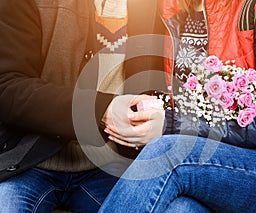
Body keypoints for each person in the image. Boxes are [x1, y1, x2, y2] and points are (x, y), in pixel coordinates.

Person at [98, 0, 256, 212]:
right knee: (179, 209)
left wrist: (172, 125)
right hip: (203, 165)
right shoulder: (171, 8)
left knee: (167, 152)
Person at [0, 0, 165, 212]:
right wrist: (102, 110)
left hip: (111, 167)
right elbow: (7, 86)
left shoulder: (154, 7)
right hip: (29, 161)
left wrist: (155, 121)